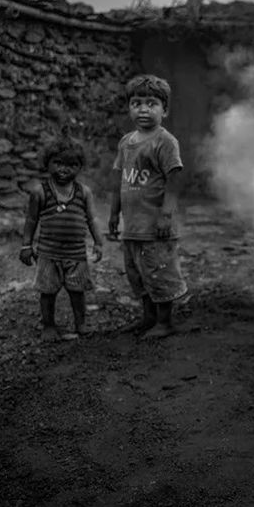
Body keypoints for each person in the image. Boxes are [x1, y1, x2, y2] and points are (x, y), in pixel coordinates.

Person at [108, 74, 188, 339]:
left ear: (164, 110)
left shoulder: (165, 141)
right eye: (136, 103)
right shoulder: (125, 142)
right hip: (132, 227)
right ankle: (148, 317)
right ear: (129, 107)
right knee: (137, 274)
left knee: (159, 273)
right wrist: (113, 215)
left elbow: (174, 179)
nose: (143, 109)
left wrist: (166, 216)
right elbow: (120, 179)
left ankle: (164, 322)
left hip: (156, 227)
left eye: (151, 103)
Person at [20, 137, 103, 341]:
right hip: (48, 252)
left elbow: (92, 219)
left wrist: (98, 242)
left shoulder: (84, 192)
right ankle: (48, 325)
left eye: (71, 165)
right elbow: (31, 219)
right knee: (47, 291)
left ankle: (81, 324)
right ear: (47, 163)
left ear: (80, 166)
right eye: (58, 163)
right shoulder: (40, 191)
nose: (64, 169)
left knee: (78, 291)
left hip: (76, 253)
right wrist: (26, 245)